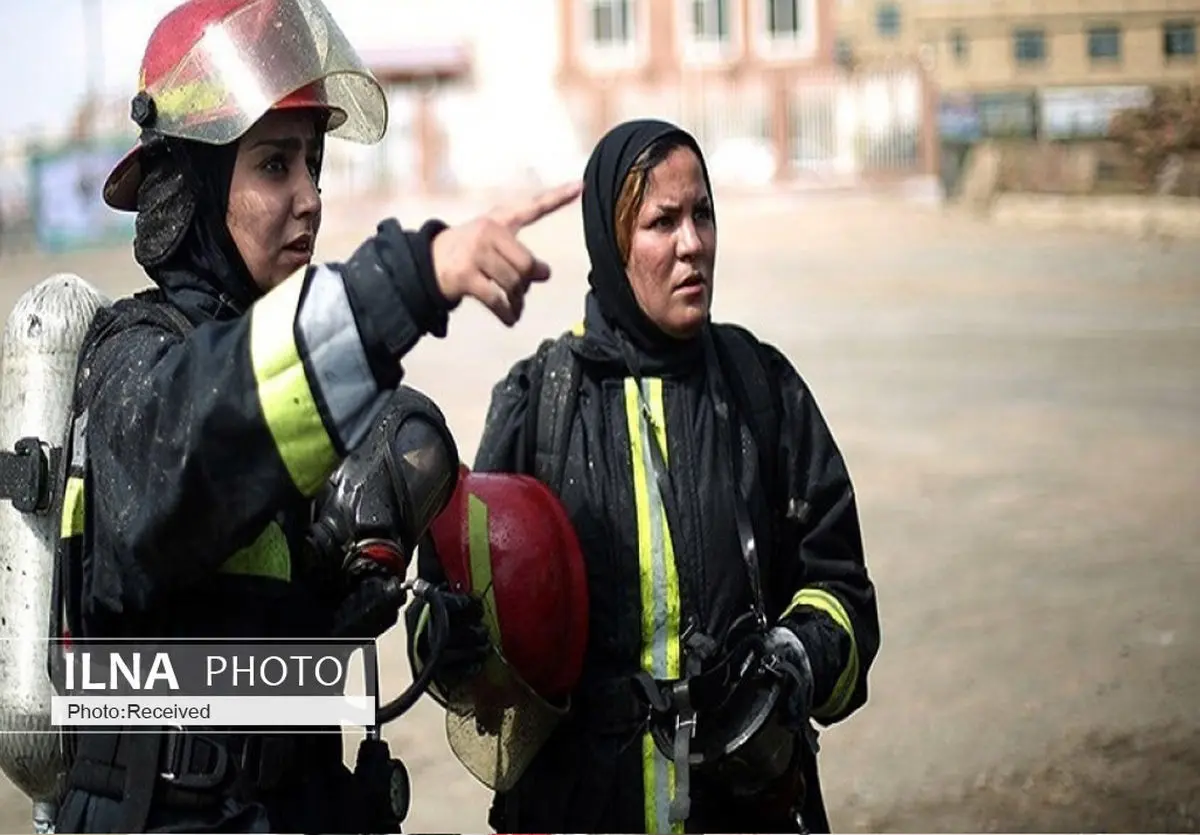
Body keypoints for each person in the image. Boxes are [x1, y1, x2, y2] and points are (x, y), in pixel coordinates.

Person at [45, 0, 580, 832]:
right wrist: (410, 279)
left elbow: (263, 651)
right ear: (190, 186)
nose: (309, 198)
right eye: (272, 166)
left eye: (312, 164)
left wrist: (422, 630)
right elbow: (207, 436)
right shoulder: (134, 364)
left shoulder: (293, 390)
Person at [409, 118, 881, 834]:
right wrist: (453, 639)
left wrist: (793, 662)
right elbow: (460, 614)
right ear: (611, 239)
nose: (692, 244)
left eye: (703, 215)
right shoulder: (540, 401)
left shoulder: (764, 389)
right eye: (662, 221)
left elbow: (843, 589)